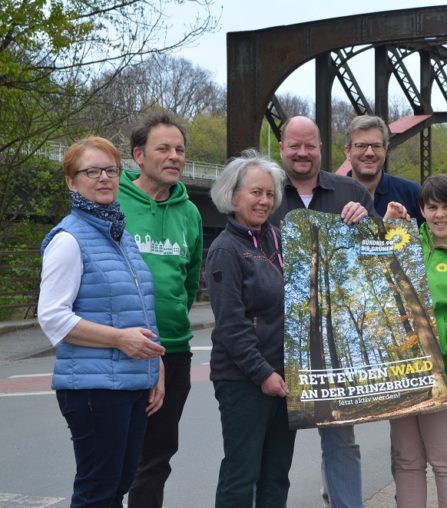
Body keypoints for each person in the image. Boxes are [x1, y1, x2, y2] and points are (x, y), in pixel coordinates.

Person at [37, 137, 165, 508]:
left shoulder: (117, 235)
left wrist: (154, 364)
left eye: (111, 170)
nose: (104, 178)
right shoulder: (69, 239)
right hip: (93, 388)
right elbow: (53, 317)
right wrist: (120, 340)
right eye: (92, 171)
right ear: (71, 182)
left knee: (118, 483)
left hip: (129, 383)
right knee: (97, 491)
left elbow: (137, 309)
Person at [270, 116, 374, 508]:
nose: (301, 153)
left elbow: (375, 262)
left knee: (341, 439)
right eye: (294, 146)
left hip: (335, 342)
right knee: (275, 445)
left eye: (309, 145)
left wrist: (367, 225)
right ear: (281, 148)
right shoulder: (265, 192)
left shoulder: (351, 192)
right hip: (278, 341)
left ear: (321, 148)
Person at [384, 174, 447, 507]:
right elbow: (374, 273)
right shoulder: (407, 243)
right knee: (407, 461)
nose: (440, 214)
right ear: (422, 210)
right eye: (432, 207)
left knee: (445, 461)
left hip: (443, 372)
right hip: (404, 368)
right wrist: (388, 228)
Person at [119, 113, 203, 508]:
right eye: (163, 149)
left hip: (174, 348)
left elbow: (189, 283)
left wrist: (170, 321)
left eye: (180, 150)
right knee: (114, 459)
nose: (174, 157)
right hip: (121, 349)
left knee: (156, 457)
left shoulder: (190, 213)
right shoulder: (114, 202)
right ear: (138, 155)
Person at [206, 149, 296, 507]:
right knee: (241, 474)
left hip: (284, 377)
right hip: (244, 380)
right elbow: (231, 324)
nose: (264, 200)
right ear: (233, 195)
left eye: (270, 194)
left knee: (276, 474)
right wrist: (263, 373)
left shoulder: (278, 240)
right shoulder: (226, 250)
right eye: (255, 192)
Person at [343, 114, 424, 225]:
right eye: (361, 145)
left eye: (376, 146)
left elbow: (433, 240)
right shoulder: (330, 197)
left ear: (386, 150)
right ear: (348, 152)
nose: (369, 153)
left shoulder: (413, 193)